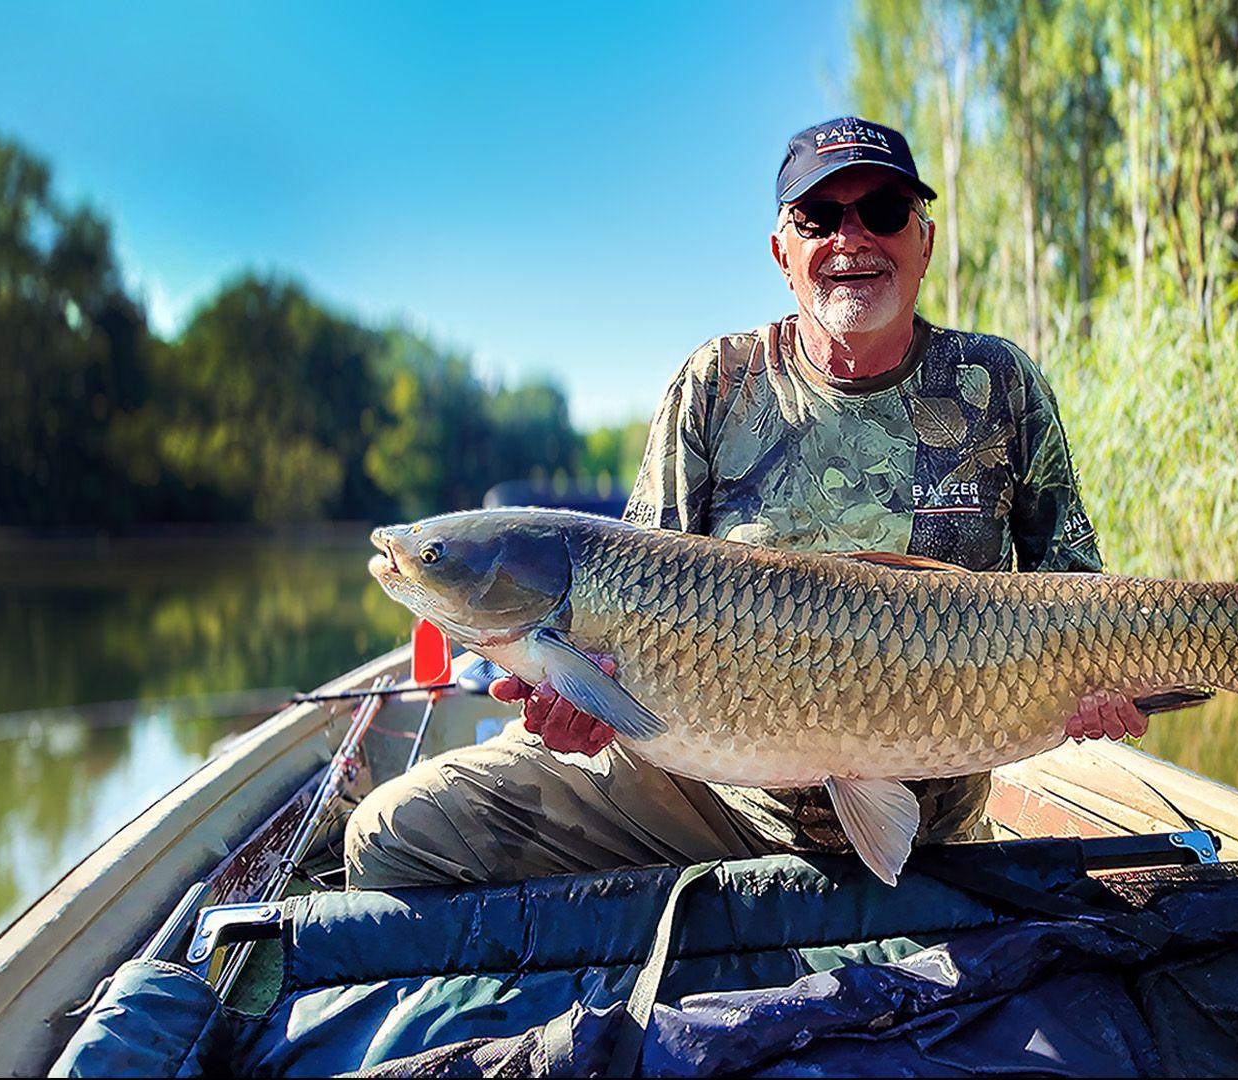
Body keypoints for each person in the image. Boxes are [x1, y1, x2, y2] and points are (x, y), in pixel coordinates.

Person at [344, 116, 1147, 889]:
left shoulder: (996, 384)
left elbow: (1081, 593)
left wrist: (1111, 682)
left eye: (883, 210)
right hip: (707, 799)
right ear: (782, 253)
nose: (851, 237)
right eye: (818, 217)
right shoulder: (717, 385)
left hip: (935, 819)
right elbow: (625, 612)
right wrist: (579, 709)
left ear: (925, 241)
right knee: (394, 833)